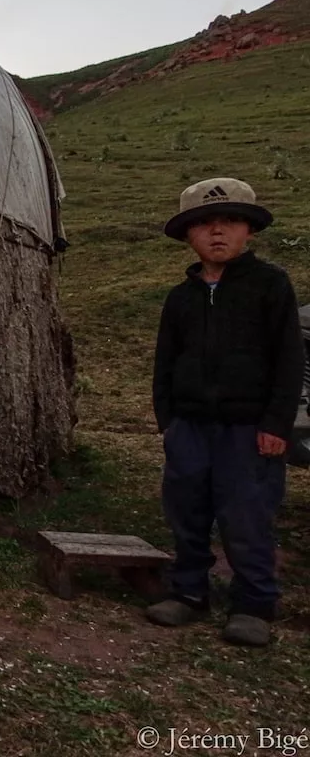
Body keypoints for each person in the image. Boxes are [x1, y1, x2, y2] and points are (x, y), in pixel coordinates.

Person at [148, 178, 303, 647]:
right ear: (188, 236)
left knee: (246, 514)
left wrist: (277, 424)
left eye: (230, 222)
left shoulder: (270, 286)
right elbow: (164, 363)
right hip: (190, 425)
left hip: (249, 429)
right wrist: (168, 422)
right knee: (188, 510)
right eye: (204, 224)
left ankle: (254, 602)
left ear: (249, 231)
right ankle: (189, 592)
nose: (217, 232)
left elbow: (289, 361)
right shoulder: (181, 298)